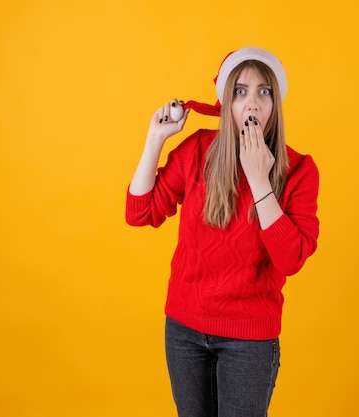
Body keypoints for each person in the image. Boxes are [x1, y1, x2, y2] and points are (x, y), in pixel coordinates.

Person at [126, 47, 319, 417]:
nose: (252, 104)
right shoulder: (198, 150)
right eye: (240, 91)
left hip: (249, 339)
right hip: (184, 329)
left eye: (264, 92)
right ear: (225, 102)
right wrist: (156, 138)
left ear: (276, 104)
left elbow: (291, 258)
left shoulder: (300, 170)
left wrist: (260, 180)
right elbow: (140, 212)